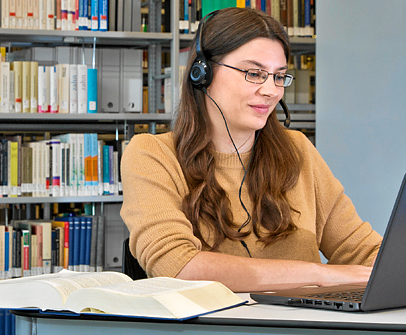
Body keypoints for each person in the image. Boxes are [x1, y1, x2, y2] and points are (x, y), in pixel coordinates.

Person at [120, 7, 383, 293]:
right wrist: (321, 275)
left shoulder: (298, 150)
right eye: (254, 73)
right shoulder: (152, 154)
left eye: (279, 76)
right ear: (203, 73)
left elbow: (363, 252)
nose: (271, 90)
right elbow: (178, 266)